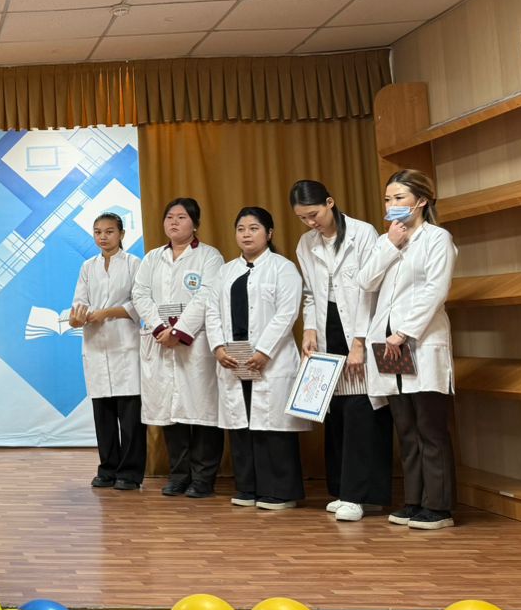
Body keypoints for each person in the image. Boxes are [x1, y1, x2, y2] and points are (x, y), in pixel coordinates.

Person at [360, 169, 458, 531]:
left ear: (421, 201)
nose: (392, 204)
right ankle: (414, 501)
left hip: (420, 341)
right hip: (388, 345)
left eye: (399, 198)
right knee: (405, 426)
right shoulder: (386, 239)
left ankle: (439, 507)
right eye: (388, 199)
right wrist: (390, 244)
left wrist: (404, 332)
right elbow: (365, 281)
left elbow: (436, 290)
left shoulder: (437, 238)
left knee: (430, 426)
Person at [291, 179, 392, 522]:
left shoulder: (363, 234)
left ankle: (357, 494)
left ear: (330, 203)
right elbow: (309, 293)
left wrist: (360, 342)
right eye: (303, 218)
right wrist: (308, 328)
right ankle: (344, 489)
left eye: (314, 214)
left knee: (362, 411)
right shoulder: (306, 243)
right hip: (327, 327)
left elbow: (370, 291)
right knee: (334, 412)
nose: (310, 223)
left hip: (360, 327)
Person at [207, 207, 310, 510]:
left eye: (254, 228)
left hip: (270, 359)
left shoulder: (283, 268)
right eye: (241, 229)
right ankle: (248, 487)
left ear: (269, 233)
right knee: (242, 424)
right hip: (234, 357)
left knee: (272, 426)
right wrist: (218, 347)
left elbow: (287, 313)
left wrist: (264, 350)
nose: (246, 234)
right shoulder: (226, 271)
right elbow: (212, 311)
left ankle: (280, 492)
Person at [131, 198, 225, 498]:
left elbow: (207, 296)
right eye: (169, 217)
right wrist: (160, 328)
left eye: (182, 217)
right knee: (171, 411)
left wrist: (180, 331)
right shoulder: (152, 258)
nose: (174, 222)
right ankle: (179, 475)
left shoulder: (209, 257)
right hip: (160, 341)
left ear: (195, 224)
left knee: (202, 411)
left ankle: (203, 479)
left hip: (195, 344)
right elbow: (140, 294)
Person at [70, 213, 143, 490]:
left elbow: (139, 304)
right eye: (98, 232)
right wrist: (77, 317)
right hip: (96, 346)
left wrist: (107, 312)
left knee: (130, 417)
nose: (103, 237)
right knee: (103, 415)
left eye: (109, 231)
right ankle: (108, 469)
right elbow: (79, 302)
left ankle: (130, 473)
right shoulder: (88, 267)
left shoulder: (134, 264)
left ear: (121, 234)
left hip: (125, 346)